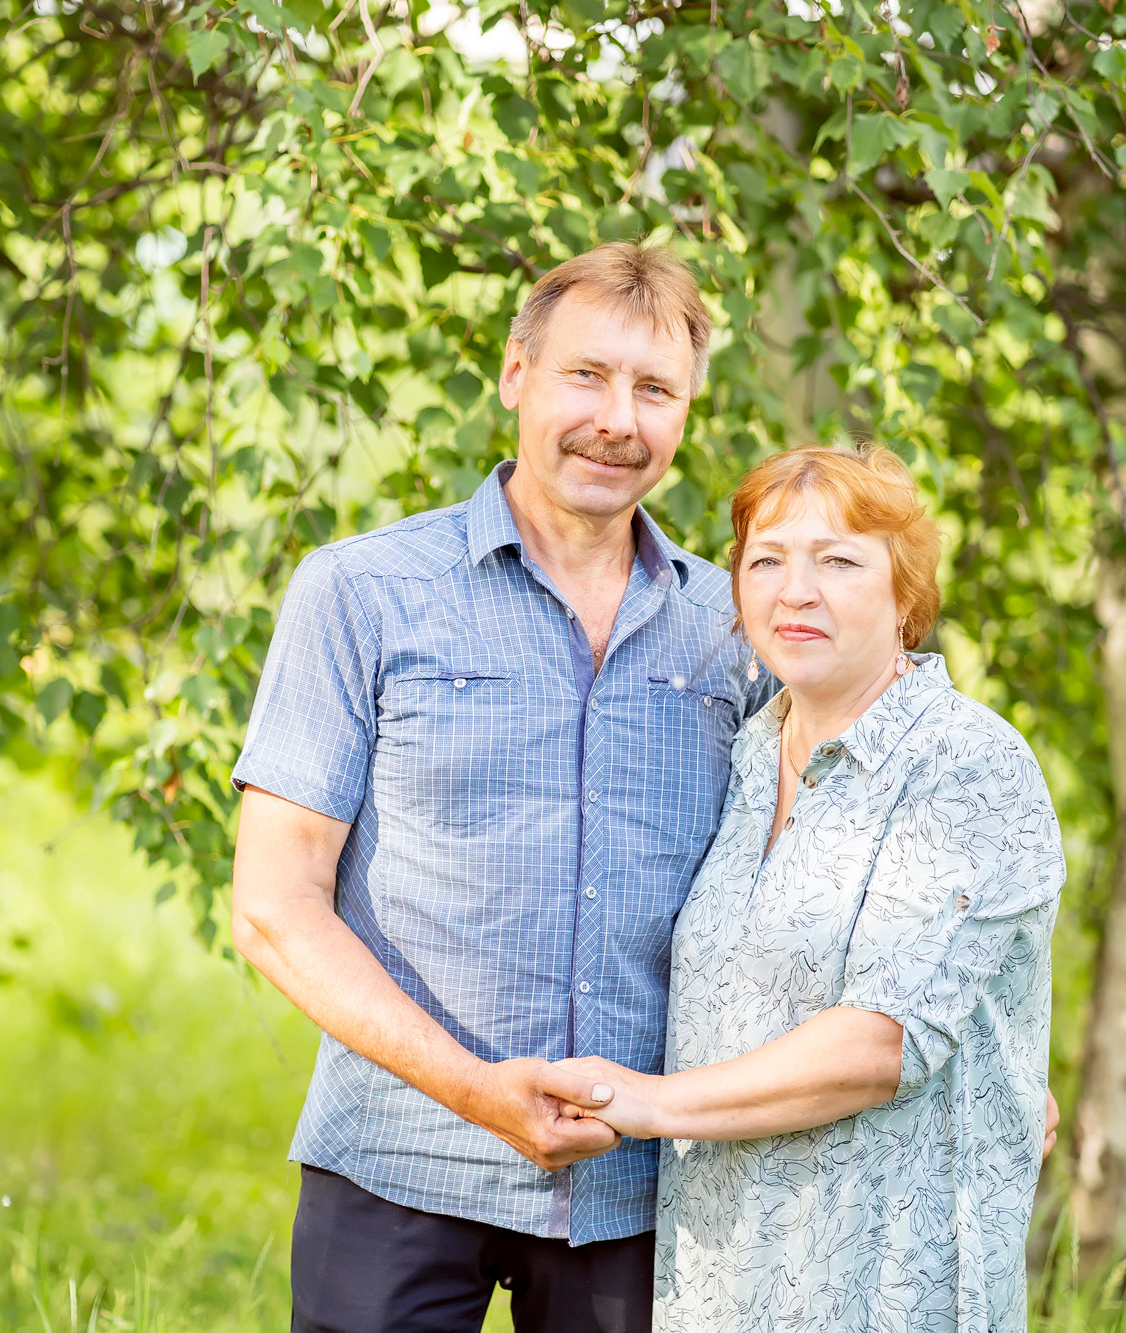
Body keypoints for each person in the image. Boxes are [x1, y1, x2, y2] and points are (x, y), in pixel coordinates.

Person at [228, 243, 768, 1333]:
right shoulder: (361, 593)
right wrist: (474, 1091)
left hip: (640, 1184)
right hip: (398, 1156)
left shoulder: (739, 631)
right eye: (587, 375)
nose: (617, 419)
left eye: (654, 389)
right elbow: (274, 906)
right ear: (516, 373)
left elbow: (817, 877)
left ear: (686, 411)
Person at [558, 446, 1065, 1332]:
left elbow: (881, 1042)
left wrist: (646, 1102)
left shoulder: (966, 764)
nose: (796, 590)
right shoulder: (751, 750)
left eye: (838, 560)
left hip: (885, 1284)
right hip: (720, 1281)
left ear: (905, 594)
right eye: (767, 560)